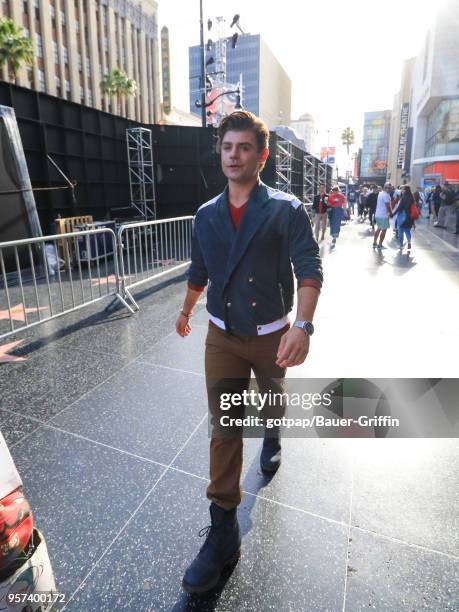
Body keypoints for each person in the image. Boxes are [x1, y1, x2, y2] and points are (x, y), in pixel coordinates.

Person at [176, 111, 323, 594]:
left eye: (243, 148)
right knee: (226, 424)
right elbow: (200, 270)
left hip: (269, 333)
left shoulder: (285, 209)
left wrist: (301, 325)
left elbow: (309, 266)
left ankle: (275, 430)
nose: (233, 156)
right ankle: (223, 528)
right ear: (219, 153)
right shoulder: (205, 214)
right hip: (221, 333)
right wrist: (186, 310)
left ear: (261, 156)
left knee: (271, 401)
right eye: (226, 147)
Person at [396, 185, 415, 251]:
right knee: (407, 230)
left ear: (406, 190)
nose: (402, 190)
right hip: (409, 217)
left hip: (402, 215)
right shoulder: (411, 197)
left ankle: (401, 245)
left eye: (403, 189)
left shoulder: (403, 198)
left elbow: (399, 207)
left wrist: (393, 213)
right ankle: (409, 242)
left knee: (400, 231)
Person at [373, 183, 392, 250]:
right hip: (383, 215)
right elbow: (388, 206)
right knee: (383, 230)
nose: (390, 189)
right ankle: (380, 245)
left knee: (379, 228)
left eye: (390, 188)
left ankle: (375, 242)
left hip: (378, 214)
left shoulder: (380, 193)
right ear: (385, 188)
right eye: (388, 188)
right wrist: (391, 213)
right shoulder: (385, 195)